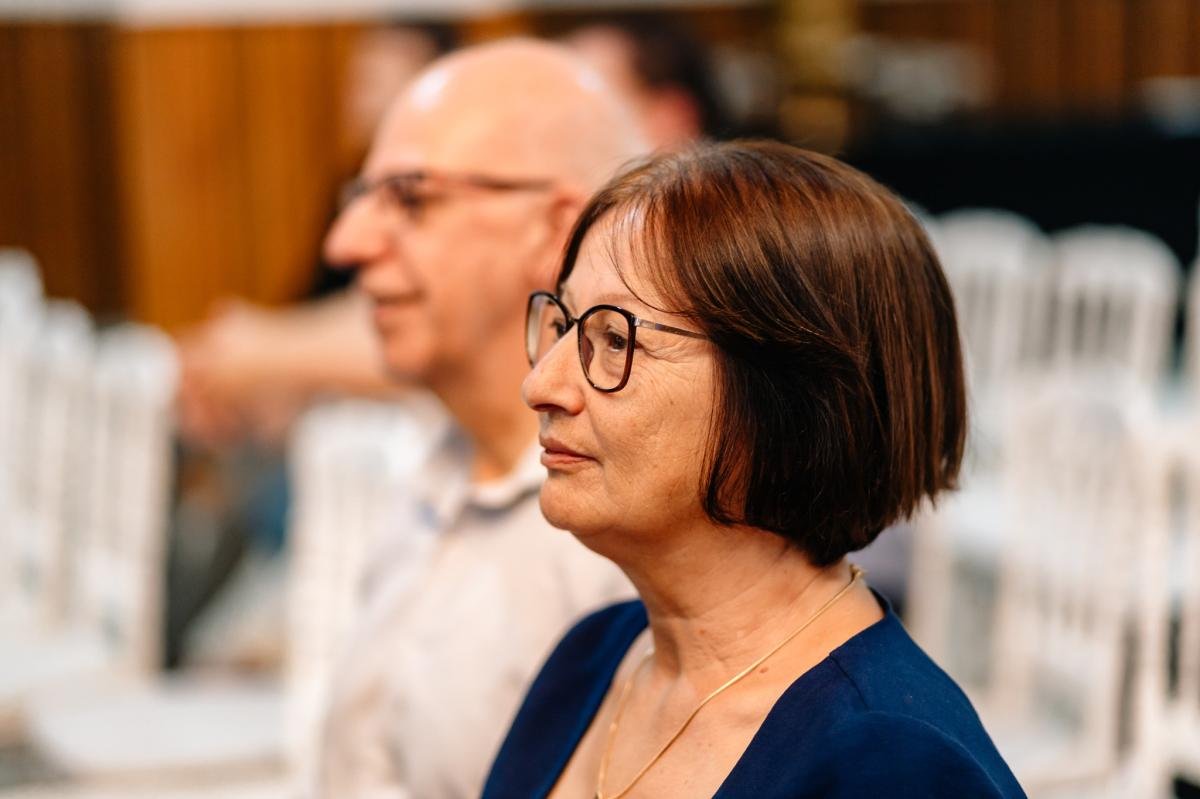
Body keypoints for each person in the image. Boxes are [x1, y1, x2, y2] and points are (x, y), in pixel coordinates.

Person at [485, 141, 1026, 798]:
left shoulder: (891, 763)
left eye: (616, 340)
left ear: (794, 399)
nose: (541, 385)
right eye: (563, 326)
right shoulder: (594, 657)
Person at [313, 41, 646, 799]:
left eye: (410, 199)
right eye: (361, 197)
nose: (347, 243)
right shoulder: (442, 462)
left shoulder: (619, 547)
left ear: (557, 231)